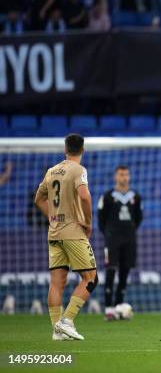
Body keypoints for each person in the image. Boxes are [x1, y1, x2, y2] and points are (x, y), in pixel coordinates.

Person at [34, 133, 97, 341]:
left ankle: (56, 331)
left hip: (54, 231)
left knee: (57, 282)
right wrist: (88, 221)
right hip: (72, 231)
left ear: (65, 149)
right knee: (91, 278)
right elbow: (85, 196)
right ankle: (67, 321)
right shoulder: (79, 170)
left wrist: (53, 217)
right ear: (83, 150)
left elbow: (38, 199)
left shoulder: (52, 171)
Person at [98, 165, 143, 321]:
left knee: (125, 272)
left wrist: (129, 231)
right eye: (121, 174)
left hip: (129, 239)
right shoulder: (108, 196)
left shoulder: (135, 196)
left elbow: (138, 218)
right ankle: (109, 308)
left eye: (126, 174)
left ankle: (119, 306)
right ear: (115, 177)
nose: (124, 177)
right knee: (110, 271)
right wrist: (110, 234)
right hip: (113, 239)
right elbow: (101, 220)